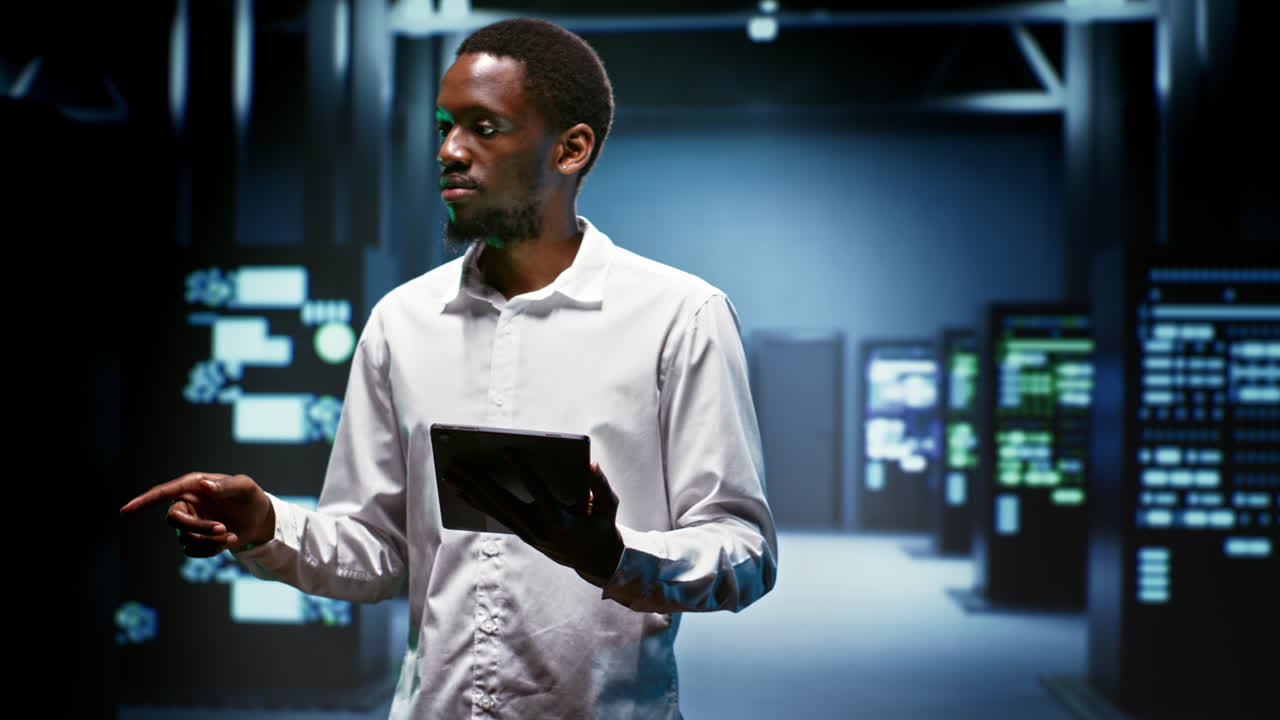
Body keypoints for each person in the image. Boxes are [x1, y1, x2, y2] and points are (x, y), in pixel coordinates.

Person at [121, 17, 777, 719]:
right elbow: (378, 551)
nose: (450, 152)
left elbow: (742, 553)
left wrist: (612, 555)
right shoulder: (402, 323)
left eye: (484, 128)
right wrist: (267, 525)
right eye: (443, 127)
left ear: (572, 148)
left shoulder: (679, 317)